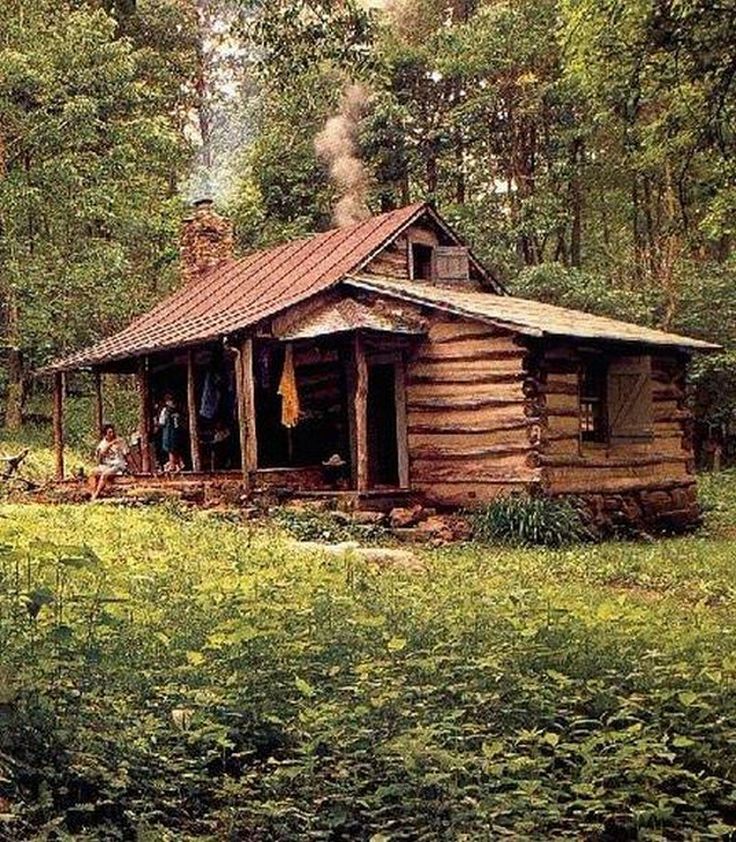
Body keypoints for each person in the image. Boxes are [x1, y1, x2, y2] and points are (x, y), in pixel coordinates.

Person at [89, 424, 129, 500]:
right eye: (109, 432)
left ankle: (96, 494)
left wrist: (129, 466)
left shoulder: (120, 441)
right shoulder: (102, 443)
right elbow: (101, 453)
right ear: (105, 434)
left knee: (104, 475)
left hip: (118, 464)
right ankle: (93, 492)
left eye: (112, 432)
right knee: (93, 472)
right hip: (107, 464)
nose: (112, 434)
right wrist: (111, 444)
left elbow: (127, 453)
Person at [158, 392, 184, 473]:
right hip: (173, 432)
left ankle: (173, 465)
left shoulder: (167, 411)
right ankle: (177, 464)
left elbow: (161, 422)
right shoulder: (175, 411)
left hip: (170, 432)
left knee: (171, 449)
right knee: (174, 449)